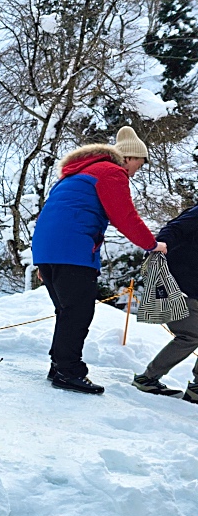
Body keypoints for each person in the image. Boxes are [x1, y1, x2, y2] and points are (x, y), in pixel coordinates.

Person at [31, 126, 165, 395]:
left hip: (47, 251)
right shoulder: (111, 172)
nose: (137, 170)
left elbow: (54, 213)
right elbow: (124, 216)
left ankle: (59, 365)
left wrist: (43, 262)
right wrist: (153, 245)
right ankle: (68, 371)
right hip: (73, 250)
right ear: (127, 158)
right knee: (79, 312)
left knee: (67, 312)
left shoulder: (75, 176)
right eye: (139, 163)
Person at [133, 205, 198, 402]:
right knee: (190, 335)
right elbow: (174, 229)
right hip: (180, 282)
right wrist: (157, 248)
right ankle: (148, 379)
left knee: (190, 335)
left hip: (188, 284)